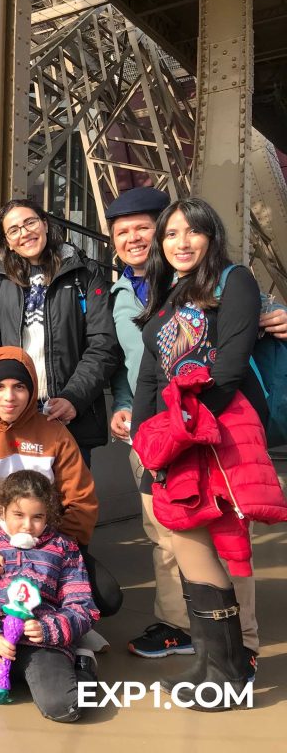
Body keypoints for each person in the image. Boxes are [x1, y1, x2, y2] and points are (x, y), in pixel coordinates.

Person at [106, 187, 283, 661]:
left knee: (226, 541)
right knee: (177, 537)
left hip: (214, 435)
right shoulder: (163, 294)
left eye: (193, 231)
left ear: (211, 235)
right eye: (172, 233)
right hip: (165, 441)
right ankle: (205, 648)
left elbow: (230, 366)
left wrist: (182, 431)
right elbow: (146, 373)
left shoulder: (234, 280)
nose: (180, 242)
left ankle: (239, 652)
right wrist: (149, 441)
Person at [0, 346, 120, 660]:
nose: (9, 397)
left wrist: (51, 555)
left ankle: (62, 620)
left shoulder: (55, 434)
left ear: (31, 390)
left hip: (47, 538)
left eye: (19, 387)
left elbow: (81, 502)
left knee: (108, 597)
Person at [0, 470, 99, 723]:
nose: (28, 525)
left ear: (48, 514)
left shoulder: (64, 548)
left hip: (43, 642)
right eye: (18, 515)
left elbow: (83, 606)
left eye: (37, 517)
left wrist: (49, 628)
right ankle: (16, 673)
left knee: (64, 708)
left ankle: (84, 666)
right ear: (3, 510)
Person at [0, 198, 118, 463]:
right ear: (7, 241)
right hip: (15, 411)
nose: (24, 233)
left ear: (44, 224)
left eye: (30, 222)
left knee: (72, 500)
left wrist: (73, 397)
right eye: (14, 230)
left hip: (67, 412)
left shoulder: (83, 273)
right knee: (18, 500)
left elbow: (103, 343)